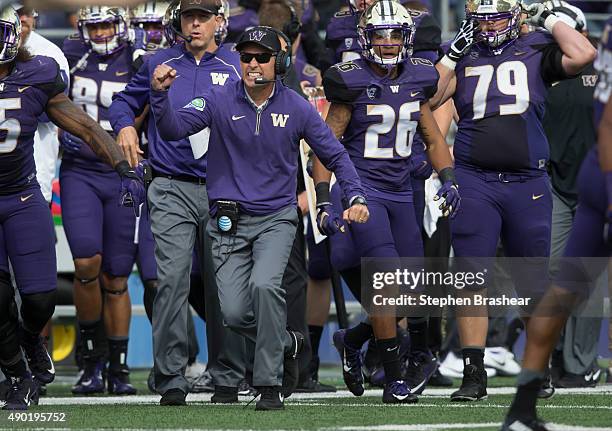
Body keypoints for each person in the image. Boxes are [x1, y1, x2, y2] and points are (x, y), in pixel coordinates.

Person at [150, 25, 369, 410]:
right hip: (228, 222)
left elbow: (333, 155)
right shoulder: (217, 99)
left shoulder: (297, 107)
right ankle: (287, 343)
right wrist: (160, 95)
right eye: (246, 57)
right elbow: (172, 129)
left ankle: (269, 385)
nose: (252, 64)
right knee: (232, 314)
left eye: (261, 57)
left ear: (279, 63)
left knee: (266, 288)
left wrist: (354, 193)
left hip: (276, 219)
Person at [432, 0, 596, 402]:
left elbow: (584, 54)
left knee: (532, 279)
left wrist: (550, 15)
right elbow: (432, 98)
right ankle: (473, 373)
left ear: (517, 17)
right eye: (482, 19)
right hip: (475, 178)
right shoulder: (465, 52)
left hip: (528, 180)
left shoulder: (537, 46)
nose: (488, 27)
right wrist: (453, 53)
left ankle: (535, 369)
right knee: (470, 276)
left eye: (496, 18)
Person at [313, 0, 460, 403]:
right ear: (366, 37)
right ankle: (394, 380)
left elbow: (431, 137)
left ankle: (352, 338)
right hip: (363, 191)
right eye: (381, 34)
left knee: (410, 292)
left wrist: (449, 178)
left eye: (396, 34)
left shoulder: (418, 77)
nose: (390, 42)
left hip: (400, 191)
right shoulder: (351, 80)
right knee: (388, 284)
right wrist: (325, 200)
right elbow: (326, 146)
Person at [0, 6, 139, 410]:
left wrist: (122, 166)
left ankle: (29, 340)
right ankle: (18, 375)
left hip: (24, 197)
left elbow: (87, 126)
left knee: (41, 298)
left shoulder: (38, 75)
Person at [110, 0, 247, 406]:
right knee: (171, 281)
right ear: (179, 21)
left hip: (226, 188)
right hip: (170, 187)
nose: (196, 24)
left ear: (220, 21)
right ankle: (170, 374)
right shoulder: (160, 61)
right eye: (189, 16)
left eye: (204, 17)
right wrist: (125, 129)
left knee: (226, 285)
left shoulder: (242, 64)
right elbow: (123, 103)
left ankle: (228, 374)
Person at [501, 14, 610, 431]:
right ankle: (539, 383)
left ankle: (534, 395)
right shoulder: (543, 60)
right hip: (580, 179)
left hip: (590, 176)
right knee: (563, 279)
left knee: (572, 282)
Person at [61, 5, 144, 396]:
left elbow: (147, 107)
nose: (100, 33)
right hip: (80, 169)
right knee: (85, 262)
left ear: (120, 24)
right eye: (93, 26)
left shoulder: (137, 57)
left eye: (107, 24)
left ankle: (119, 366)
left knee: (116, 275)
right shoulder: (70, 55)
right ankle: (91, 358)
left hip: (122, 173)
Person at [541, 1, 602, 390]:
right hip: (552, 182)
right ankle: (552, 359)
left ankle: (579, 364)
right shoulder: (536, 70)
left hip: (596, 184)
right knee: (549, 272)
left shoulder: (602, 69)